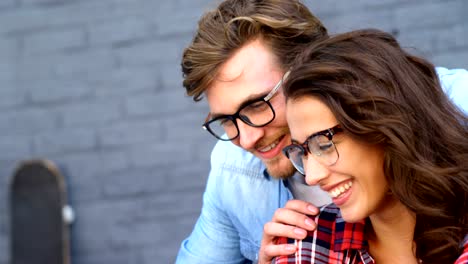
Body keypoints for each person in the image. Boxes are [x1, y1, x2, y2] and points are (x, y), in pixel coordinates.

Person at [176, 0, 468, 263]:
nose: (247, 139)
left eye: (257, 105)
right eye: (226, 120)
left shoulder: (453, 104)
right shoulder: (234, 169)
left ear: (313, 67)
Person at [274, 28, 468, 264]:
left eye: (323, 145)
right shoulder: (308, 246)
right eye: (302, 152)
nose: (312, 177)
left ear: (385, 125)